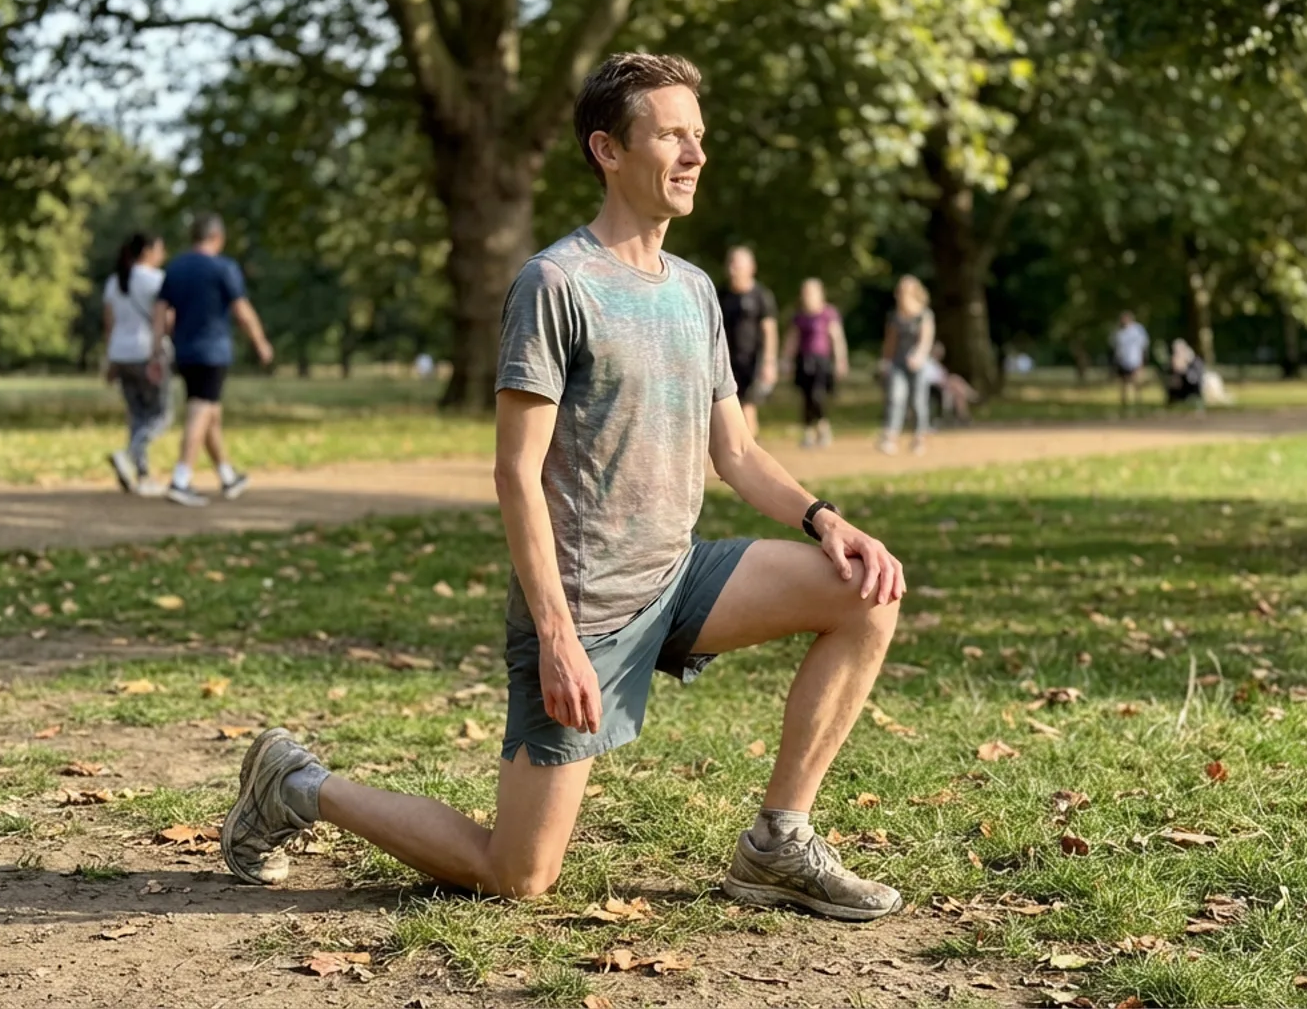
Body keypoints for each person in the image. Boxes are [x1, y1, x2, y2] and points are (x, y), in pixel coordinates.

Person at [219, 52, 909, 923]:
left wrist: (825, 520)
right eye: (671, 136)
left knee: (865, 594)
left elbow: (734, 452)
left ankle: (778, 843)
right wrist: (555, 636)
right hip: (584, 609)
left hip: (678, 578)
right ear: (608, 150)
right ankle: (297, 783)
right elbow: (515, 472)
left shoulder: (696, 292)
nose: (695, 155)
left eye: (699, 137)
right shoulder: (557, 284)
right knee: (519, 876)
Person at [151, 214, 274, 507]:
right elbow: (242, 310)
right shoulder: (223, 268)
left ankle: (227, 475)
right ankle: (181, 479)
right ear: (218, 237)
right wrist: (260, 342)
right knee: (200, 411)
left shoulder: (176, 268)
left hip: (185, 350)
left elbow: (160, 311)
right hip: (213, 350)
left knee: (210, 415)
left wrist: (156, 347)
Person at [103, 232, 171, 496]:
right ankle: (129, 455)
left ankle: (143, 476)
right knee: (161, 415)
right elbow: (166, 319)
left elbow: (108, 323)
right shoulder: (157, 280)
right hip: (147, 352)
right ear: (149, 250)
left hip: (121, 353)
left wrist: (109, 359)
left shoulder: (115, 281)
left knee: (137, 415)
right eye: (160, 249)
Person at [717, 247, 779, 438]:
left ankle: (750, 448)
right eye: (731, 264)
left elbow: (770, 330)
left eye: (738, 265)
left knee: (748, 406)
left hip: (753, 361)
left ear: (751, 268)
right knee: (727, 406)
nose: (733, 270)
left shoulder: (761, 296)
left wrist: (769, 362)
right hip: (726, 361)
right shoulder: (721, 295)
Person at [783, 278, 847, 447]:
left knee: (818, 395)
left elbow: (837, 338)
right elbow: (792, 340)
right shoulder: (799, 316)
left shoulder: (828, 314)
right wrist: (786, 360)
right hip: (804, 361)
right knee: (806, 397)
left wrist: (840, 360)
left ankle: (823, 427)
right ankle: (809, 432)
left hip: (822, 362)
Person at [877, 275, 936, 455]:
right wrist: (885, 361)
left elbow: (926, 340)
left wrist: (918, 356)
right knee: (896, 397)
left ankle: (919, 437)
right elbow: (890, 341)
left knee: (918, 401)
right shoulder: (895, 316)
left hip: (918, 364)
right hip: (898, 363)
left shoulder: (924, 315)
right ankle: (890, 436)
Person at [1111, 311, 1149, 413]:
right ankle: (1124, 404)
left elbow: (1143, 346)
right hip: (1122, 361)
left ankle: (1139, 402)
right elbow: (1116, 348)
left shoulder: (1138, 330)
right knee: (1123, 384)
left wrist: (1143, 361)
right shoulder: (1119, 332)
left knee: (1136, 382)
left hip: (1135, 360)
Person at [1165, 338, 1205, 408]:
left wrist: (1183, 370)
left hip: (1191, 387)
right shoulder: (1174, 360)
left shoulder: (1193, 360)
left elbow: (1194, 379)